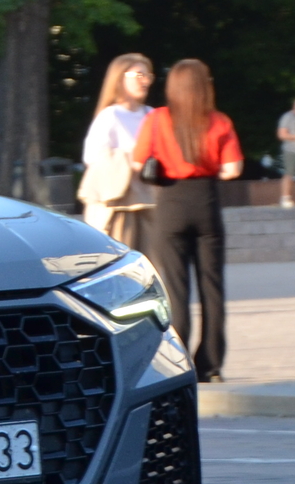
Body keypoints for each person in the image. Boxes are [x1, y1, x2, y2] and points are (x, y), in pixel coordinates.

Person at [133, 58, 242, 384]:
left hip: (170, 204)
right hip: (206, 203)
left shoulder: (157, 119)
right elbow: (233, 169)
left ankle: (177, 361)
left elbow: (138, 162)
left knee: (177, 290)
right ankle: (211, 364)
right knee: (213, 287)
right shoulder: (219, 121)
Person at [76, 53, 156, 247]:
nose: (145, 81)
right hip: (119, 205)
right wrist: (132, 157)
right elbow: (93, 159)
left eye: (148, 76)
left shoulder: (152, 115)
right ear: (120, 78)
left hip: (150, 202)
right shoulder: (110, 116)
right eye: (139, 75)